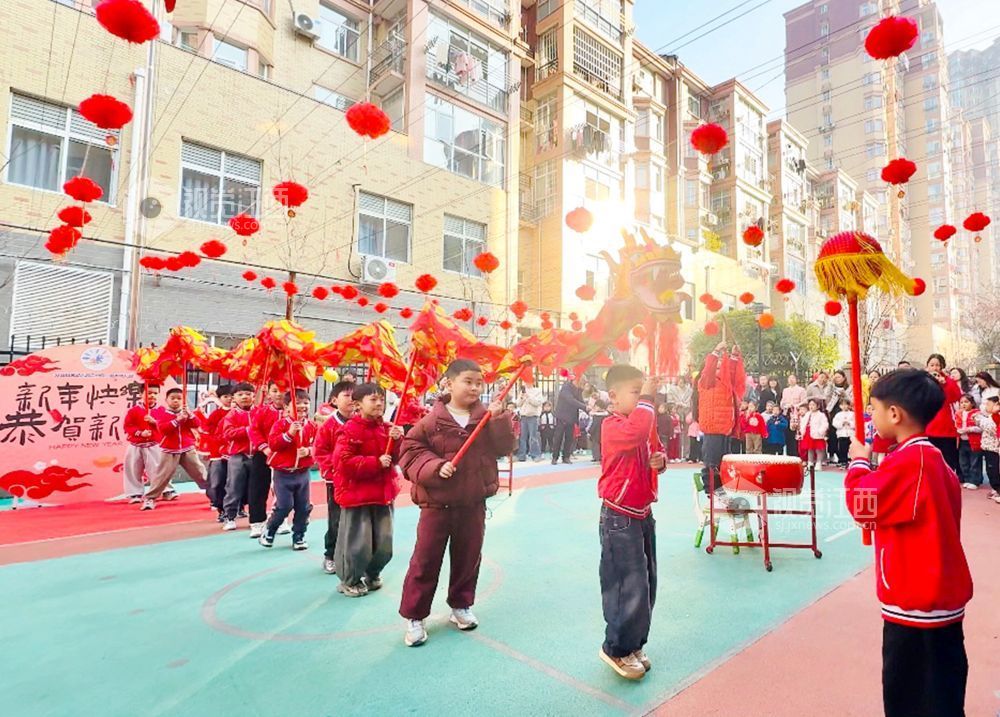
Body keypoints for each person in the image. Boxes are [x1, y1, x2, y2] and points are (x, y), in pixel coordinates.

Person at [845, 369, 973, 717]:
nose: (870, 417)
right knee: (941, 692)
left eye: (873, 409)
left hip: (916, 602)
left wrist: (858, 461)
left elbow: (862, 503)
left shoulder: (911, 462)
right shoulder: (930, 460)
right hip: (936, 597)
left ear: (895, 414)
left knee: (912, 696)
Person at [397, 359, 514, 647]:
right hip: (437, 505)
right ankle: (415, 615)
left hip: (472, 503)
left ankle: (460, 605)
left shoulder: (487, 417)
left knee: (468, 557)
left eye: (479, 383)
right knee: (425, 560)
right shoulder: (431, 421)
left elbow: (504, 447)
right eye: (468, 381)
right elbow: (410, 452)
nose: (475, 387)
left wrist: (499, 419)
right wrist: (436, 466)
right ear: (448, 383)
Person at [596, 365, 666, 680]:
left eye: (642, 393)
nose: (641, 400)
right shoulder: (612, 425)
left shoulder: (642, 419)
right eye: (635, 393)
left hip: (641, 512)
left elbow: (654, 445)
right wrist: (649, 399)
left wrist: (659, 461)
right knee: (627, 585)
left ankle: (635, 642)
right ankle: (617, 647)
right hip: (618, 515)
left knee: (647, 582)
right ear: (613, 396)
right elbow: (637, 432)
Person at [330, 383, 403, 595]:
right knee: (357, 542)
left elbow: (395, 459)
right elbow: (343, 462)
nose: (379, 403)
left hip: (383, 494)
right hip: (357, 496)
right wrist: (375, 462)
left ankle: (373, 573)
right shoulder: (350, 429)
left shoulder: (387, 429)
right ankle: (350, 580)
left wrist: (398, 441)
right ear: (358, 404)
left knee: (384, 542)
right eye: (373, 399)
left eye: (381, 398)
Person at [258, 390, 316, 550]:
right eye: (298, 403)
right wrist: (289, 434)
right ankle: (270, 529)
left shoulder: (311, 426)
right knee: (284, 505)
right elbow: (274, 444)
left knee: (303, 507)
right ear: (287, 407)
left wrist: (309, 451)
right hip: (283, 474)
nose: (303, 406)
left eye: (305, 402)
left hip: (303, 473)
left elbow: (319, 445)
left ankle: (299, 535)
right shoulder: (281, 424)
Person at [313, 380, 357, 575]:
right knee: (337, 519)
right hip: (337, 481)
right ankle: (330, 555)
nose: (352, 400)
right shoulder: (329, 425)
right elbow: (320, 452)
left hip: (359, 479)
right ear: (334, 400)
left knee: (358, 520)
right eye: (347, 395)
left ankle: (353, 555)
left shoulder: (362, 421)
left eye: (355, 395)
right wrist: (337, 468)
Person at [142, 388, 207, 509]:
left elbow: (197, 424)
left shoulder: (187, 413)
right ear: (166, 400)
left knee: (200, 472)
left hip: (187, 448)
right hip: (169, 449)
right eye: (173, 398)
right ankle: (150, 498)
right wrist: (177, 421)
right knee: (162, 476)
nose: (176, 401)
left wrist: (190, 415)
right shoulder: (163, 414)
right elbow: (163, 429)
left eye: (179, 398)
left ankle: (214, 495)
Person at [697, 342, 745, 504]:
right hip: (712, 428)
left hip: (725, 429)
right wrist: (716, 351)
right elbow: (709, 368)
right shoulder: (706, 382)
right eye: (716, 367)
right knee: (712, 461)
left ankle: (720, 489)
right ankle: (712, 490)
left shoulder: (726, 384)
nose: (719, 369)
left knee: (723, 462)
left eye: (720, 367)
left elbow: (730, 372)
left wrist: (734, 356)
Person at [248, 383, 286, 538]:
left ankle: (281, 519)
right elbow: (254, 430)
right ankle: (257, 522)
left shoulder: (293, 413)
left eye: (282, 391)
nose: (278, 394)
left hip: (284, 455)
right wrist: (264, 448)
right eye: (274, 391)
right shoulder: (262, 411)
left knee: (282, 489)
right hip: (263, 453)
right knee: (258, 487)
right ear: (268, 393)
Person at [220, 383, 256, 531]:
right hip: (238, 455)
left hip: (257, 455)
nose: (245, 397)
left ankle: (256, 518)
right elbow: (228, 434)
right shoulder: (232, 415)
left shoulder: (259, 412)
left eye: (248, 393)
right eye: (240, 394)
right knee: (234, 486)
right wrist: (248, 430)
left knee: (256, 488)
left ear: (254, 396)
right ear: (234, 398)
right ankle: (229, 516)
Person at [122, 383, 162, 504]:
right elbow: (127, 426)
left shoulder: (161, 410)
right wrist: (139, 433)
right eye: (149, 393)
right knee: (133, 469)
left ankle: (165, 490)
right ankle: (135, 493)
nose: (152, 396)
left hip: (154, 444)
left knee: (158, 469)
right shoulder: (134, 411)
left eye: (155, 393)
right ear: (141, 394)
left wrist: (154, 422)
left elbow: (165, 426)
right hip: (135, 445)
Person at [924, 354, 962, 475]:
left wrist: (944, 383)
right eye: (932, 365)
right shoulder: (922, 380)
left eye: (937, 365)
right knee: (929, 461)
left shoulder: (948, 381)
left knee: (948, 460)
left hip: (946, 427)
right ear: (927, 366)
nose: (935, 368)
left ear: (942, 367)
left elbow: (955, 397)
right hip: (927, 426)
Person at [199, 384, 233, 520]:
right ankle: (219, 505)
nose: (229, 399)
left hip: (235, 454)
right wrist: (210, 451)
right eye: (226, 397)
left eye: (231, 396)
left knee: (235, 482)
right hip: (218, 454)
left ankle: (238, 507)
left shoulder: (239, 413)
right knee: (217, 481)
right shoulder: (216, 415)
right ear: (219, 398)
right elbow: (207, 434)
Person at [552, 374, 587, 464]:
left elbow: (580, 401)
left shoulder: (579, 390)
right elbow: (571, 400)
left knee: (569, 438)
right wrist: (585, 407)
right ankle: (555, 457)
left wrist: (589, 409)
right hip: (562, 416)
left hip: (571, 417)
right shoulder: (566, 387)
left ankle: (566, 457)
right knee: (558, 437)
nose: (582, 386)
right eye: (582, 383)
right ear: (578, 380)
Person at [974, 396, 1000, 502]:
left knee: (994, 470)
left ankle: (998, 489)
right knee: (990, 470)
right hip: (988, 447)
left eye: (988, 404)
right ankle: (996, 489)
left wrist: (979, 419)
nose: (986, 407)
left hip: (994, 449)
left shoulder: (996, 416)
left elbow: (991, 427)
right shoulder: (990, 416)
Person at [954, 394, 983, 490]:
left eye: (966, 402)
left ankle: (975, 480)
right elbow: (956, 426)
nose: (963, 404)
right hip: (962, 441)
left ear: (972, 403)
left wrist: (969, 429)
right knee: (963, 462)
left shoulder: (977, 413)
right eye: (961, 402)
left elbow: (981, 428)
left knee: (975, 461)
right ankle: (967, 479)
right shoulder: (958, 413)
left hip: (974, 442)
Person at [516, 384, 544, 462]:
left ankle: (535, 455)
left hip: (533, 416)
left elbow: (537, 403)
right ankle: (522, 455)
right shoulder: (522, 392)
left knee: (533, 436)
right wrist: (522, 397)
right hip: (523, 416)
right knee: (522, 437)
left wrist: (528, 397)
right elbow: (518, 404)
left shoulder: (537, 391)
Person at [799, 398, 829, 469]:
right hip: (808, 433)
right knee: (810, 449)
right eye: (810, 405)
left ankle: (819, 463)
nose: (811, 406)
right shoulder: (807, 414)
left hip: (817, 434)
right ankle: (810, 462)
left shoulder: (821, 415)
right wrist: (802, 431)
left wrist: (820, 431)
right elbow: (803, 423)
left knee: (819, 449)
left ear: (818, 406)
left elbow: (825, 424)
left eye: (813, 405)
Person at [832, 398, 855, 467]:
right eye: (842, 405)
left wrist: (850, 423)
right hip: (842, 434)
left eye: (846, 404)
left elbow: (856, 423)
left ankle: (851, 460)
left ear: (848, 405)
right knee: (842, 448)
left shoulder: (852, 414)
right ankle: (842, 460)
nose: (844, 406)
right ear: (840, 406)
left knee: (851, 448)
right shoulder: (838, 414)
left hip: (851, 434)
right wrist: (841, 423)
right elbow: (834, 423)